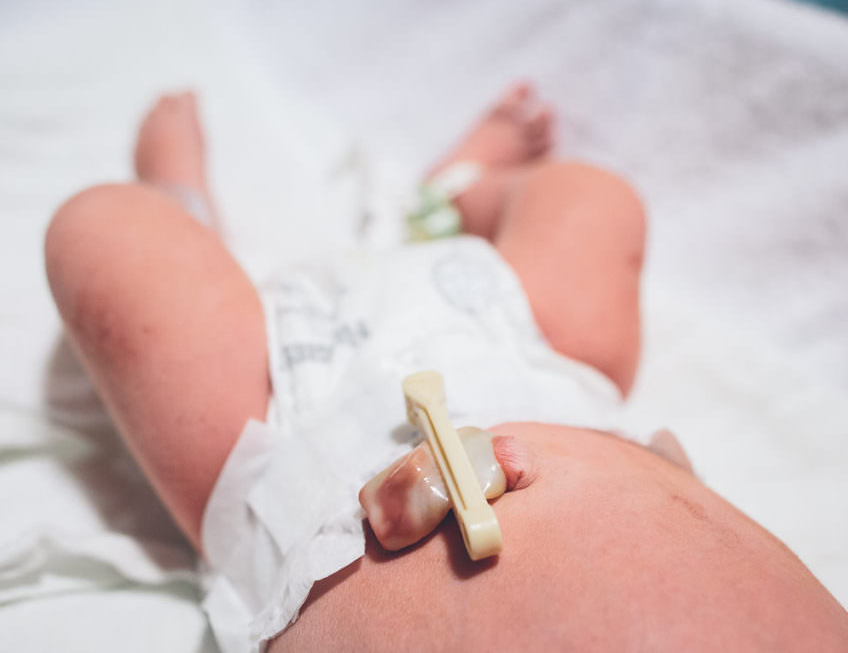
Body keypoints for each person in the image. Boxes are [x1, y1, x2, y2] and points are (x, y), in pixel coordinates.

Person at [44, 85, 848, 650]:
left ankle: (177, 202)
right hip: (537, 357)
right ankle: (455, 195)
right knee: (595, 200)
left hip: (293, 451)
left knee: (103, 234)